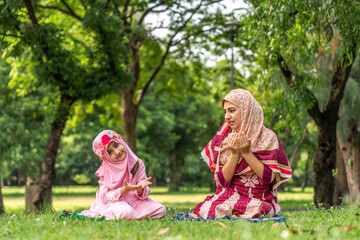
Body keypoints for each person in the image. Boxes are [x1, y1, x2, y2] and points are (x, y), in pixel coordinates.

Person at [191, 89, 292, 219]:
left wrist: (246, 152)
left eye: (232, 110)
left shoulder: (268, 138)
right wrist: (234, 154)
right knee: (209, 209)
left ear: (247, 111)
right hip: (228, 197)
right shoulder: (223, 139)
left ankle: (234, 213)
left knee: (263, 209)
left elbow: (268, 179)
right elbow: (222, 182)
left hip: (258, 199)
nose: (227, 116)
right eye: (225, 112)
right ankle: (236, 212)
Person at [80, 130, 166, 220]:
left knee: (161, 210)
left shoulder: (137, 163)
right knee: (126, 211)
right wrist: (125, 189)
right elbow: (104, 197)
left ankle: (133, 216)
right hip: (114, 204)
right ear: (106, 156)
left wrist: (140, 188)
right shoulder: (106, 170)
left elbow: (142, 193)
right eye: (110, 152)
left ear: (121, 142)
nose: (117, 152)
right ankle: (133, 216)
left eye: (116, 145)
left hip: (135, 202)